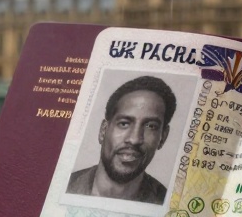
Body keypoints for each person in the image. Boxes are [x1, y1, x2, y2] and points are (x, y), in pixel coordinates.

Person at [65, 75, 177, 205]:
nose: (134, 139)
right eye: (124, 123)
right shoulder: (63, 186)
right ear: (103, 131)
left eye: (151, 126)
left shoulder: (168, 205)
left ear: (163, 137)